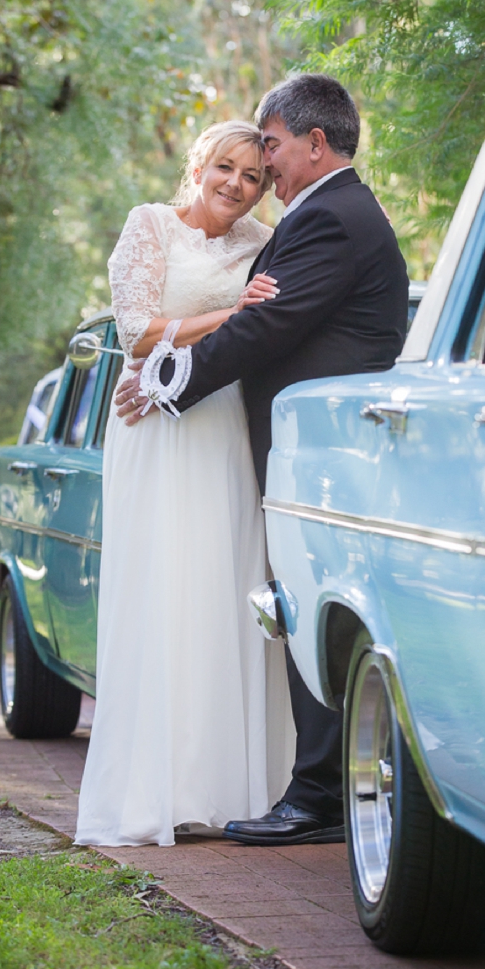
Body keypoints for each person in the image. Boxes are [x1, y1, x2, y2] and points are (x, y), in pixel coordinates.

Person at [116, 74, 409, 846]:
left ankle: (316, 792)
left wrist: (166, 379)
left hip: (313, 449)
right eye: (240, 164)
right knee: (292, 607)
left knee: (305, 609)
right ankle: (309, 783)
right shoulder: (328, 212)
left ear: (315, 144)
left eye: (269, 151)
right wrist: (158, 363)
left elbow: (269, 326)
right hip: (278, 445)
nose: (260, 175)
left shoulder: (333, 218)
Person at [75, 120, 296, 849]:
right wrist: (234, 313)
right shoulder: (148, 225)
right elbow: (137, 330)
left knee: (222, 592)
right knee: (161, 593)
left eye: (252, 176)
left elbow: (273, 331)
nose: (236, 184)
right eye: (225, 167)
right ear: (200, 164)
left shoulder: (265, 243)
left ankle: (234, 788)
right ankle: (156, 788)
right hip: (159, 432)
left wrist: (240, 323)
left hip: (225, 427)